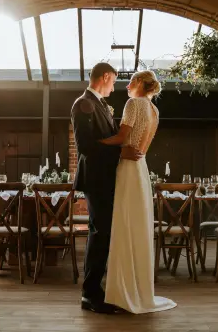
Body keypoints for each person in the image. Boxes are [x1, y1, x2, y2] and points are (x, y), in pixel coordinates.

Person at [101, 70, 177, 314]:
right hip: (141, 167)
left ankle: (123, 293)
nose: (128, 83)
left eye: (132, 79)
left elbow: (123, 137)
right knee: (138, 226)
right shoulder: (154, 110)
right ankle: (139, 290)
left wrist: (96, 143)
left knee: (125, 225)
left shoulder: (133, 103)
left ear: (141, 84)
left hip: (127, 167)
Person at [70, 62, 142, 314]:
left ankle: (101, 289)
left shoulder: (99, 104)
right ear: (105, 76)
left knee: (104, 234)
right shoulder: (84, 104)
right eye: (113, 81)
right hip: (96, 179)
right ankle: (90, 294)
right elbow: (85, 148)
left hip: (106, 178)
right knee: (100, 234)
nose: (114, 86)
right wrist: (121, 151)